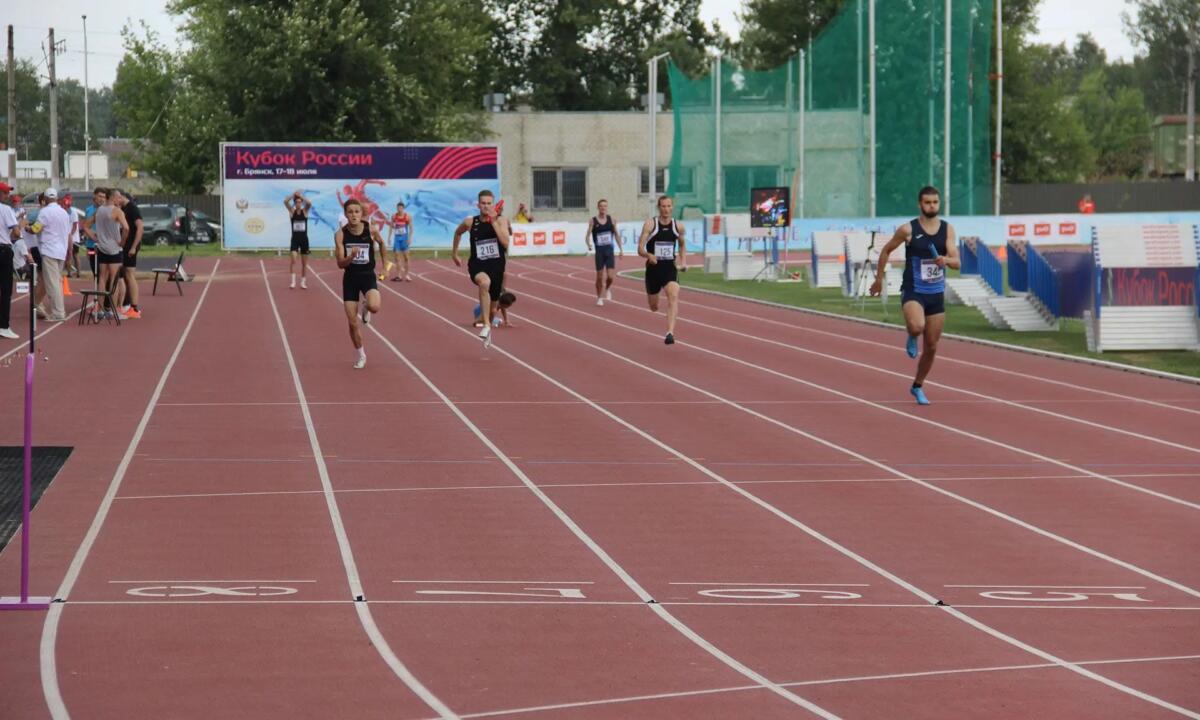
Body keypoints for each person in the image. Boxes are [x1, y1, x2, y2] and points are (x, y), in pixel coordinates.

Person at [870, 185, 960, 406]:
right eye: (928, 202)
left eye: (935, 202)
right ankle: (912, 333)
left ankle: (917, 386)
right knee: (917, 326)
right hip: (913, 290)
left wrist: (945, 260)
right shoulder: (908, 229)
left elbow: (957, 262)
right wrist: (879, 279)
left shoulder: (947, 229)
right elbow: (886, 251)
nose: (932, 206)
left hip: (935, 293)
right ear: (920, 204)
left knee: (931, 346)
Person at [452, 190, 510, 348]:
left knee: (492, 311)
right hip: (477, 264)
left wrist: (493, 223)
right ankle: (486, 326)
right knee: (484, 282)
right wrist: (455, 253)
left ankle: (484, 322)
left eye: (489, 203)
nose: (486, 206)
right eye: (483, 203)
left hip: (497, 266)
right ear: (478, 205)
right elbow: (457, 233)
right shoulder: (471, 222)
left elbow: (505, 243)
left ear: (493, 204)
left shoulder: (501, 221)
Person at [334, 198, 386, 369]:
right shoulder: (340, 235)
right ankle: (361, 355)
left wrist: (385, 267)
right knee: (352, 322)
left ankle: (366, 307)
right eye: (350, 212)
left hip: (367, 276)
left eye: (357, 211)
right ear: (346, 214)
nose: (354, 215)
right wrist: (351, 257)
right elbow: (340, 263)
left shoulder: (371, 230)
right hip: (350, 278)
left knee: (375, 307)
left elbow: (382, 244)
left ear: (361, 214)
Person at [637, 195, 687, 345]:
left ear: (672, 207)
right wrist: (648, 254)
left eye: (668, 206)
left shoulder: (678, 226)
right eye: (663, 206)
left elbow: (682, 245)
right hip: (653, 270)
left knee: (673, 294)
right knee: (654, 306)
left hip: (669, 268)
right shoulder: (650, 224)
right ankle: (654, 301)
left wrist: (683, 261)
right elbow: (639, 248)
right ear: (659, 208)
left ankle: (670, 332)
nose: (666, 209)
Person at [91, 188, 130, 319]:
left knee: (102, 278)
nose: (120, 200)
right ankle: (113, 310)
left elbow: (85, 225)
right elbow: (126, 228)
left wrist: (95, 238)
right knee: (115, 279)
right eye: (118, 197)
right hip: (114, 249)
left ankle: (101, 309)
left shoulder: (99, 210)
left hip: (102, 248)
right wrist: (122, 242)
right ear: (113, 197)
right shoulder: (117, 211)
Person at [34, 188, 72, 323]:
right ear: (56, 198)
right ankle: (57, 310)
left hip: (49, 250)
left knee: (52, 284)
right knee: (57, 282)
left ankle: (58, 312)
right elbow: (68, 234)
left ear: (45, 199)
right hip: (61, 251)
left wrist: (27, 228)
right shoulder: (64, 213)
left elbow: (36, 229)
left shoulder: (44, 212)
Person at [112, 190, 144, 318]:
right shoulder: (124, 208)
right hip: (125, 246)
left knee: (130, 275)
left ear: (122, 197)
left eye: (118, 198)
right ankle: (126, 304)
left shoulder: (132, 208)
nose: (116, 202)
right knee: (124, 275)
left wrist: (133, 247)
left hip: (131, 246)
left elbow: (140, 227)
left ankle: (134, 308)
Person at [585, 198, 623, 306]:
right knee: (599, 277)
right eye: (601, 206)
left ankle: (607, 288)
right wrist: (589, 244)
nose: (603, 208)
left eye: (605, 206)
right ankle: (599, 297)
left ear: (607, 208)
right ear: (598, 208)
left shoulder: (612, 220)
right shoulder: (593, 221)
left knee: (610, 276)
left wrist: (621, 249)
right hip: (599, 253)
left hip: (609, 252)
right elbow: (587, 236)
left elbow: (616, 234)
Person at [0, 182, 19, 339]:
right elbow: (17, 232)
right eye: (5, 193)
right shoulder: (6, 210)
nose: (7, 196)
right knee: (5, 290)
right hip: (3, 250)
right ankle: (3, 326)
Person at [285, 190, 311, 289]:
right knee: (294, 260)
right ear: (295, 203)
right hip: (295, 240)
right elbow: (285, 202)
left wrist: (300, 196)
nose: (299, 203)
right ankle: (293, 282)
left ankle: (303, 282)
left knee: (304, 264)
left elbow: (309, 203)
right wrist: (293, 195)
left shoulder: (305, 211)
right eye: (297, 202)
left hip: (304, 240)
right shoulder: (292, 212)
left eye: (300, 202)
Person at [386, 201, 414, 282]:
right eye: (398, 208)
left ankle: (407, 275)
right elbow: (391, 227)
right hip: (397, 239)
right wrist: (389, 237)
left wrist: (410, 238)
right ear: (397, 208)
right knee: (397, 258)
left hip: (404, 239)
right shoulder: (394, 216)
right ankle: (399, 275)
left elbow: (411, 228)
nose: (399, 209)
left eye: (401, 208)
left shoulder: (407, 217)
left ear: (403, 208)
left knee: (406, 257)